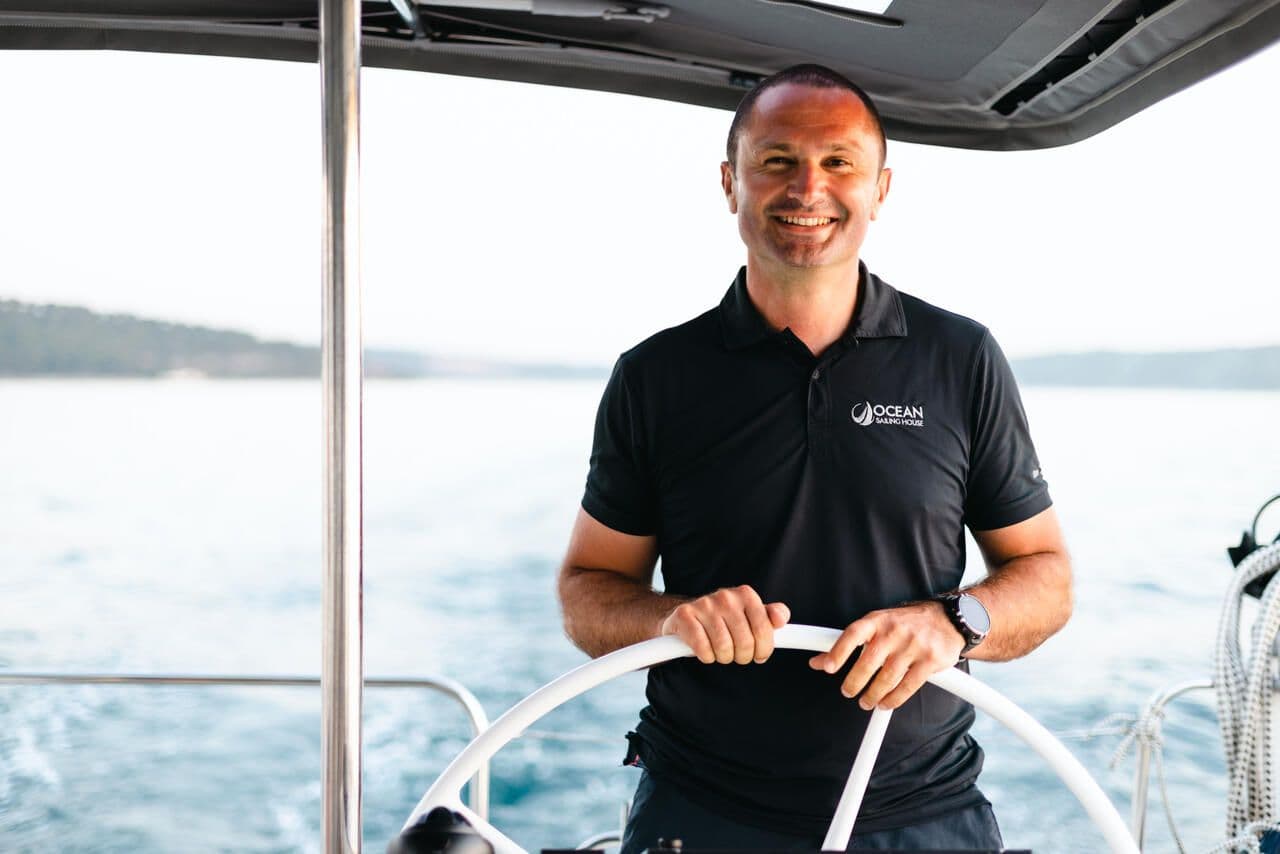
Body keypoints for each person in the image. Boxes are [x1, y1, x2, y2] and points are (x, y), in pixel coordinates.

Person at [557, 64, 1072, 852]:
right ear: (730, 183)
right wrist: (671, 618)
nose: (808, 188)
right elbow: (588, 591)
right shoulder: (656, 376)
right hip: (702, 811)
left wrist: (955, 621)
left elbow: (1046, 575)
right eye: (777, 160)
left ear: (880, 189)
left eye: (839, 162)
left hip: (922, 812)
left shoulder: (959, 357)